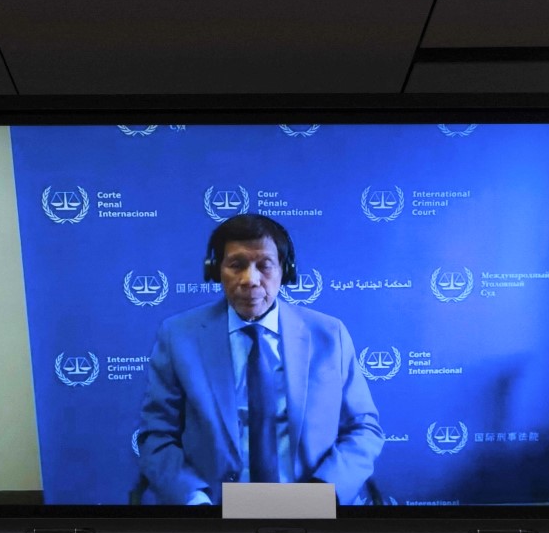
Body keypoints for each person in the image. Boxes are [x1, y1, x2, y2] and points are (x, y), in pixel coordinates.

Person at [137, 214, 383, 505]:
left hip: (312, 506)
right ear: (216, 270)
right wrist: (194, 499)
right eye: (236, 265)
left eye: (264, 266)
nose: (250, 280)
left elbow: (363, 428)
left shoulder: (329, 335)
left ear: (285, 270)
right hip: (214, 509)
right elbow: (157, 436)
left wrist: (324, 493)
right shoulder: (179, 336)